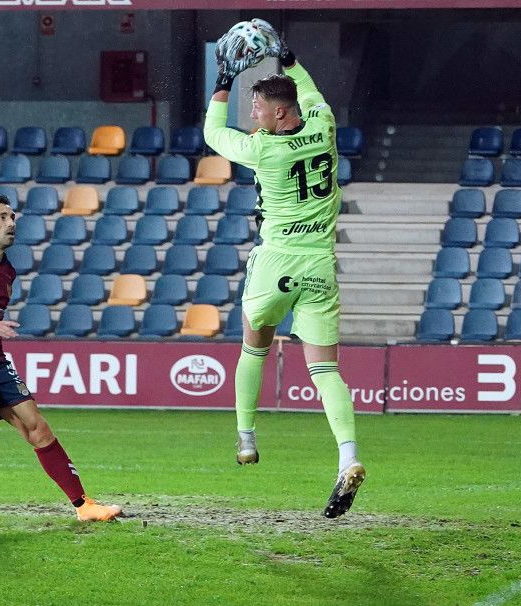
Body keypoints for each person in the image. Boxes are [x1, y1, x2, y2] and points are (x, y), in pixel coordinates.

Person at [203, 20, 366, 519]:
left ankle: (247, 437)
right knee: (325, 369)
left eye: (256, 108)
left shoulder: (263, 149)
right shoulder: (323, 123)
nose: (251, 114)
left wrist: (224, 79)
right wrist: (288, 54)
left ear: (278, 113)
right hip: (320, 263)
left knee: (254, 343)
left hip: (276, 259)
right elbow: (312, 91)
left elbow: (212, 132)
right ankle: (349, 456)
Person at [0, 195, 122, 522]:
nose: (11, 223)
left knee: (38, 428)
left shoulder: (7, 271)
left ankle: (84, 506)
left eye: (12, 217)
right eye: (2, 217)